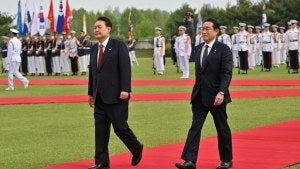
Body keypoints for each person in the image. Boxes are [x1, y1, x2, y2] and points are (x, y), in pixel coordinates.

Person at [175, 18, 233, 169]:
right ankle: (190, 161)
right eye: (202, 29)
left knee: (222, 128)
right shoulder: (198, 48)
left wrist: (221, 92)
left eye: (207, 28)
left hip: (216, 97)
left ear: (216, 31)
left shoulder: (223, 49)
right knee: (195, 127)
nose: (204, 31)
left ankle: (226, 160)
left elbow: (227, 73)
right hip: (199, 95)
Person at [88, 16, 143, 169]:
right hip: (99, 97)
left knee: (120, 128)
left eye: (99, 27)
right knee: (100, 131)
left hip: (117, 96)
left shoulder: (118, 45)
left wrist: (126, 89)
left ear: (108, 29)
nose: (96, 30)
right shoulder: (94, 48)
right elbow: (93, 73)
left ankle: (136, 147)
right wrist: (91, 93)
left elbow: (125, 68)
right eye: (95, 27)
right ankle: (101, 163)